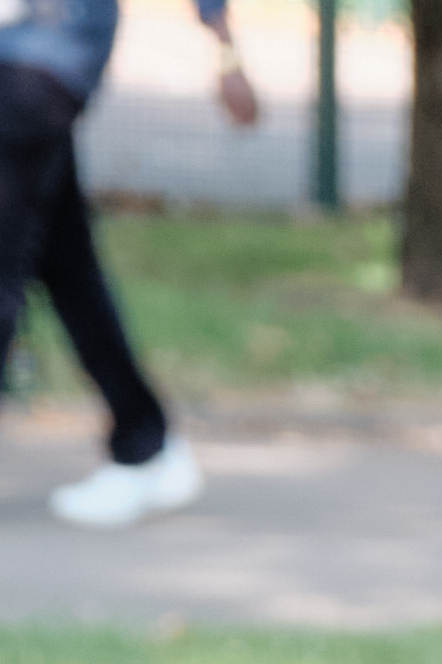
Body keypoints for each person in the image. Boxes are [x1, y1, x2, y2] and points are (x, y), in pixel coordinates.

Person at [1, 0, 253, 534]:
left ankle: (146, 445)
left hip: (41, 64)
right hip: (27, 62)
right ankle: (146, 443)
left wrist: (227, 51)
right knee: (67, 266)